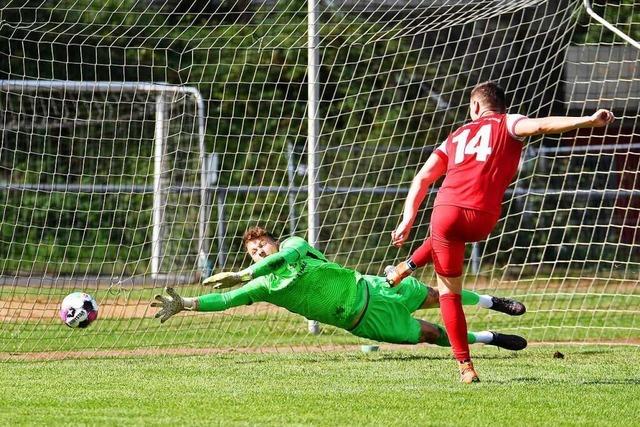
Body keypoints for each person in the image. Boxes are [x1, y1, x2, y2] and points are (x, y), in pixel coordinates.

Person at [385, 81, 615, 383]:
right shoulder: (510, 122)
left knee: (449, 294)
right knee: (445, 240)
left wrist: (407, 219)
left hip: (446, 212)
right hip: (483, 219)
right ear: (501, 106)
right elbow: (543, 126)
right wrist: (587, 121)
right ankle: (405, 268)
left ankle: (465, 367)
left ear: (476, 107)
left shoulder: (455, 136)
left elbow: (423, 178)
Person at [152, 226, 527, 353]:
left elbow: (276, 260)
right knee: (431, 334)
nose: (260, 251)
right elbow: (228, 299)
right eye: (252, 251)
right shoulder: (263, 285)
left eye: (262, 244)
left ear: (273, 240)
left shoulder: (294, 245)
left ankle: (493, 301)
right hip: (363, 321)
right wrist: (187, 302)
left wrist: (242, 271)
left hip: (375, 287)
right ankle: (488, 337)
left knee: (435, 293)